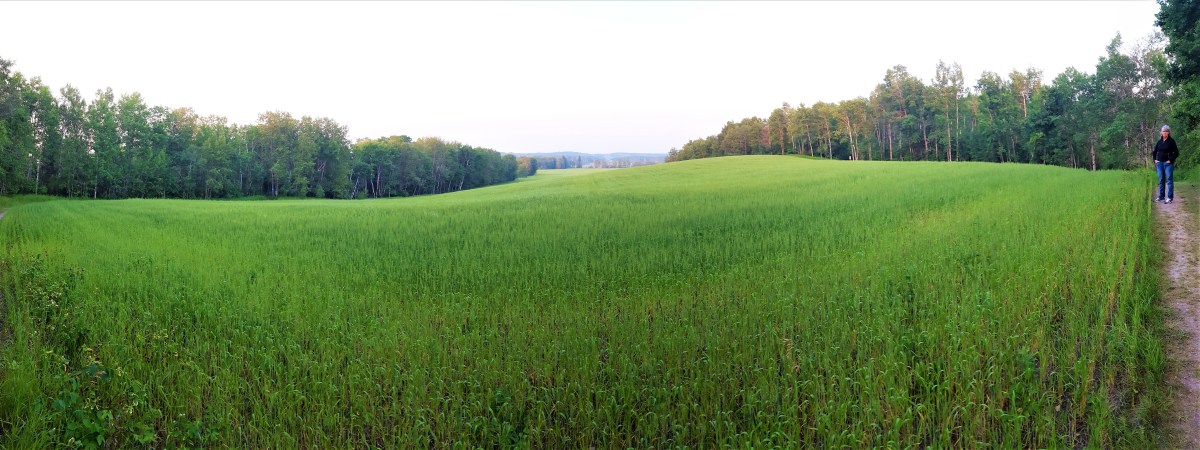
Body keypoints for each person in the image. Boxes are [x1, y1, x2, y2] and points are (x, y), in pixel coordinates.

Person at [1155, 124, 1180, 203]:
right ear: (1161, 132)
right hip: (1159, 163)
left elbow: (1176, 153)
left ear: (1168, 132)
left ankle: (1169, 197)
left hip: (1168, 164)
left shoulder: (1171, 141)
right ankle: (1161, 196)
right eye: (1163, 131)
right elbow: (1154, 151)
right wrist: (1155, 160)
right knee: (1161, 180)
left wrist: (1170, 160)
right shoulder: (1159, 142)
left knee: (1169, 180)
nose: (1164, 132)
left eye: (1166, 131)